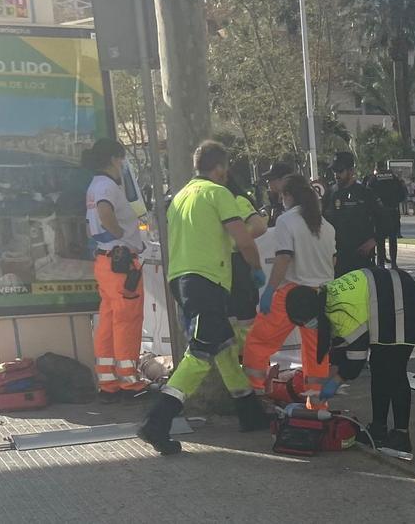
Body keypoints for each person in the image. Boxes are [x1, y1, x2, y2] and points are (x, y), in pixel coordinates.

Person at [139, 141, 269, 455]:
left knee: (222, 346)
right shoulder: (218, 193)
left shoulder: (179, 197)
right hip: (207, 282)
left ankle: (250, 413)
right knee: (199, 354)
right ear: (221, 167)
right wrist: (255, 269)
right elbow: (244, 240)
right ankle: (157, 422)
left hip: (182, 280)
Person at [284, 267, 415, 452]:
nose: (308, 327)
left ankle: (401, 435)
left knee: (394, 371)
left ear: (311, 313)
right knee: (379, 368)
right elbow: (341, 346)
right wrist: (331, 375)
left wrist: (334, 382)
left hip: (402, 302)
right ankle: (378, 429)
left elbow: (356, 358)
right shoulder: (323, 299)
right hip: (386, 301)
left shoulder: (339, 312)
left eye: (305, 322)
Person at [243, 175, 336, 404]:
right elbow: (333, 262)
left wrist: (269, 291)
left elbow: (284, 258)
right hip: (323, 295)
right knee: (317, 355)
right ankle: (316, 405)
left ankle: (254, 394)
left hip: (293, 294)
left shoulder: (286, 221)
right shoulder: (327, 226)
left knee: (258, 342)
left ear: (288, 196)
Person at [84, 138, 148, 401]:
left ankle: (108, 381)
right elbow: (105, 212)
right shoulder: (107, 186)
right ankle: (129, 381)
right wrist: (121, 234)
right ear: (114, 159)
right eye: (122, 159)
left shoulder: (95, 185)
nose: (123, 164)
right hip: (120, 261)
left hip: (106, 261)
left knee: (109, 322)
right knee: (127, 320)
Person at [226, 176, 269, 352]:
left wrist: (236, 242)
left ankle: (252, 364)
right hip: (224, 266)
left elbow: (259, 226)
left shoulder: (237, 200)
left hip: (238, 262)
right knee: (231, 322)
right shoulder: (218, 201)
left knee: (245, 320)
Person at [323, 151, 383, 276]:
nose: (336, 175)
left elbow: (384, 220)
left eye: (340, 171)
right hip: (336, 257)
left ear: (351, 171)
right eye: (334, 171)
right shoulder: (330, 193)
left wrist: (374, 240)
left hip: (360, 257)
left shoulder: (365, 193)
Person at [366, 162, 406, 269]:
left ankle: (381, 263)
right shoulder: (394, 178)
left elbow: (367, 194)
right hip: (393, 212)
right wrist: (395, 202)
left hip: (379, 214)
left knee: (380, 240)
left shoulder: (373, 179)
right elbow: (403, 193)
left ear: (377, 168)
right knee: (393, 239)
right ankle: (393, 263)